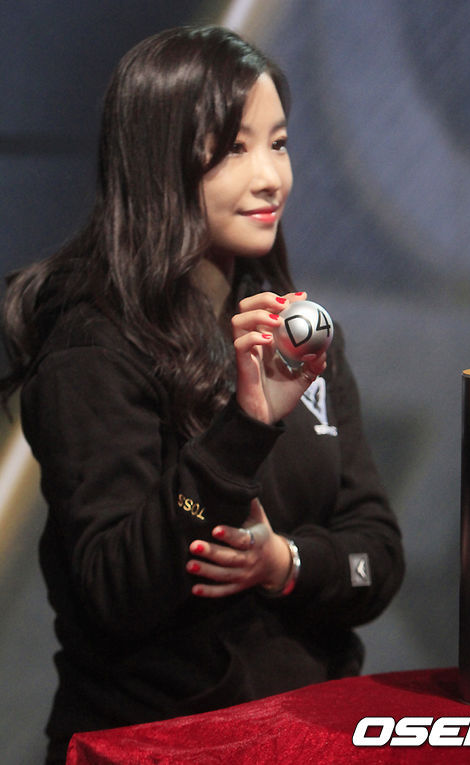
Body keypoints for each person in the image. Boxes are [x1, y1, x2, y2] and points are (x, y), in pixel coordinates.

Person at [0, 26, 404, 764]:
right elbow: (120, 587)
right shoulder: (93, 347)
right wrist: (245, 426)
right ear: (161, 163)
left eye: (278, 144)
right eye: (234, 149)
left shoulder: (297, 333)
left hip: (307, 738)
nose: (271, 177)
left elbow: (375, 557)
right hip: (156, 745)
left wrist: (284, 563)